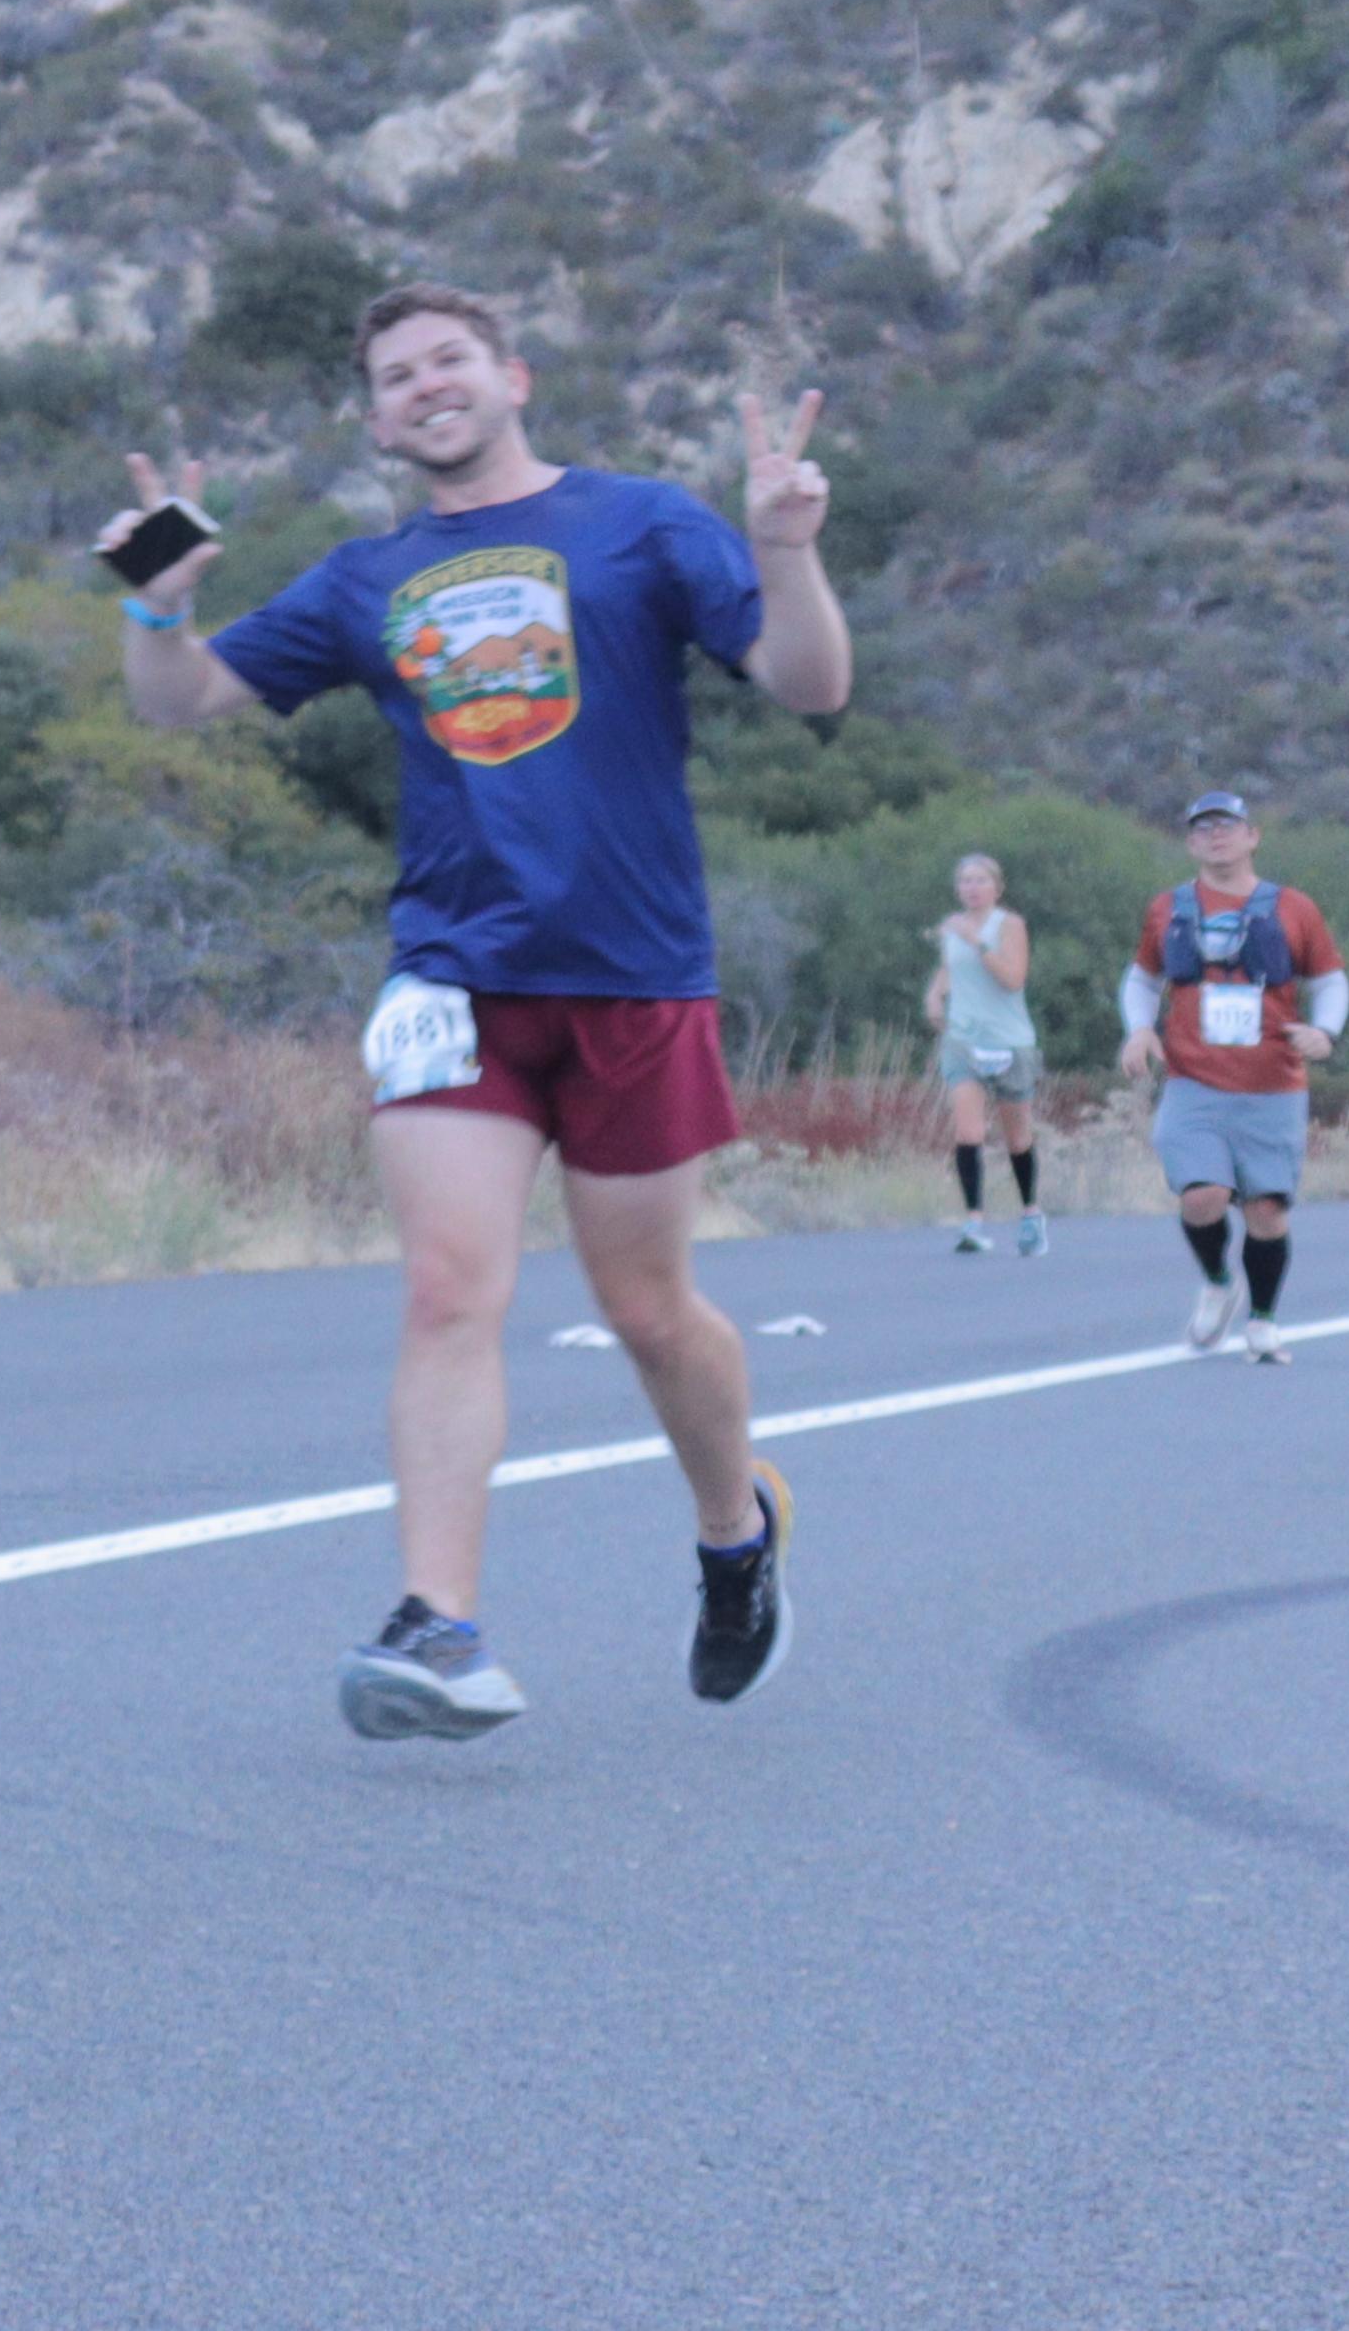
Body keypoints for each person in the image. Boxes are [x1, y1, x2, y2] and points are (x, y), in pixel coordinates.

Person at [111, 285, 849, 1742]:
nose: (426, 385)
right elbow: (178, 700)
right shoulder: (365, 578)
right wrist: (156, 601)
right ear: (379, 421)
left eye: (449, 359)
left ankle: (734, 1530)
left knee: (648, 1311)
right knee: (450, 1290)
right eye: (396, 375)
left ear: (513, 377)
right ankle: (437, 1627)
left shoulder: (641, 524)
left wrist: (785, 548)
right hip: (453, 979)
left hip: (633, 975)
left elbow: (809, 681)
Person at [1113, 791, 1346, 1364]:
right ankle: (1218, 1281)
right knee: (1203, 1195)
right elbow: (1143, 978)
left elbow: (1330, 979)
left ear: (1252, 836)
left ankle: (1262, 1321)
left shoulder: (1295, 908)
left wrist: (1325, 1031)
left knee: (1266, 1211)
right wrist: (1139, 1030)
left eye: (1227, 825)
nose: (1216, 835)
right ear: (1190, 842)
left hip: (1273, 1084)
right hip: (1193, 1079)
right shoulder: (1168, 908)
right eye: (1203, 827)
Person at [927, 852, 1046, 1254]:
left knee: (1017, 1137)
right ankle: (974, 1222)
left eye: (981, 880)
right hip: (963, 1039)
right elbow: (951, 967)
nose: (972, 888)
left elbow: (1013, 979)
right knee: (969, 1132)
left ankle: (1030, 1213)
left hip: (1009, 1041)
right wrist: (935, 994)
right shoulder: (952, 927)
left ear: (997, 887)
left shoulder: (1009, 925)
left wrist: (977, 942)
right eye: (965, 881)